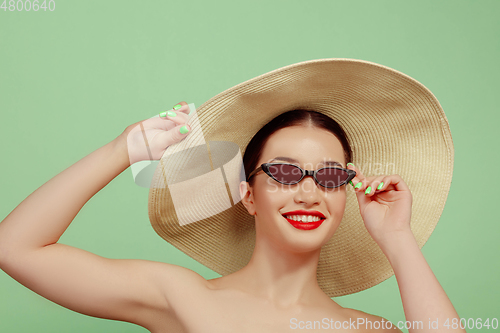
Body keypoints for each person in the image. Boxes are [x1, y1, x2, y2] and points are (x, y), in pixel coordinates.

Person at [0, 59, 463, 332]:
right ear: (248, 195)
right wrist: (121, 151)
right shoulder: (179, 295)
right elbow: (16, 248)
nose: (307, 192)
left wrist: (398, 238)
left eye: (328, 177)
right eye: (283, 172)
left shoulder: (365, 329)